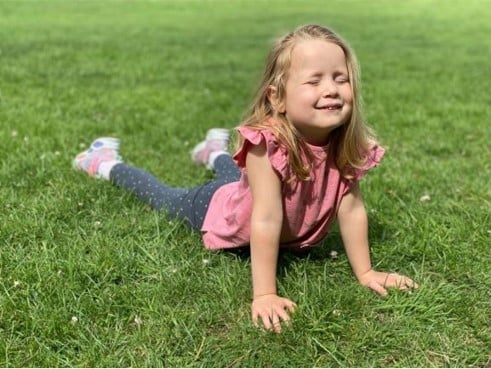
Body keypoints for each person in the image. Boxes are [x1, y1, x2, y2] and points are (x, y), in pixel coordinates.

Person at [73, 24, 418, 333]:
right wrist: (265, 293)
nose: (331, 89)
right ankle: (104, 161)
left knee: (234, 177)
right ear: (277, 97)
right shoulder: (267, 145)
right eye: (314, 81)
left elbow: (352, 209)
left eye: (340, 79)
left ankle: (212, 150)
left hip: (241, 193)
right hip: (216, 209)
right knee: (163, 196)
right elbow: (266, 218)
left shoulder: (346, 144)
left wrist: (367, 273)